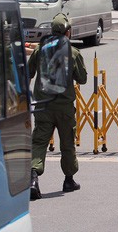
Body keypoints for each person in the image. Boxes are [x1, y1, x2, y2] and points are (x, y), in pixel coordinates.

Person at [29, 13, 88, 200]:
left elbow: (29, 71)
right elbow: (83, 78)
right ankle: (68, 179)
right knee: (67, 143)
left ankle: (32, 179)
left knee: (39, 141)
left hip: (43, 106)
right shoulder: (73, 52)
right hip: (64, 107)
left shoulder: (40, 50)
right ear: (68, 32)